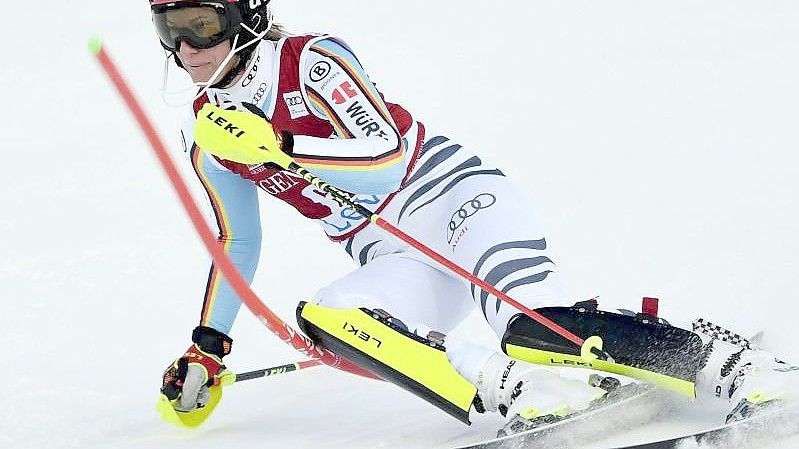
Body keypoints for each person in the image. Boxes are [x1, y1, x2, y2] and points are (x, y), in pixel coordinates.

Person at [150, 0, 798, 433]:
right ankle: (528, 392)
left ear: (247, 14)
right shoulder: (206, 134)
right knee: (329, 314)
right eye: (170, 32)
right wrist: (207, 347)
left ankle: (738, 368)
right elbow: (236, 238)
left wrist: (283, 145)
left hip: (458, 201)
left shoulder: (311, 61)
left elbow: (382, 157)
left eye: (201, 24)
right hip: (395, 256)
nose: (187, 49)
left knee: (531, 327)